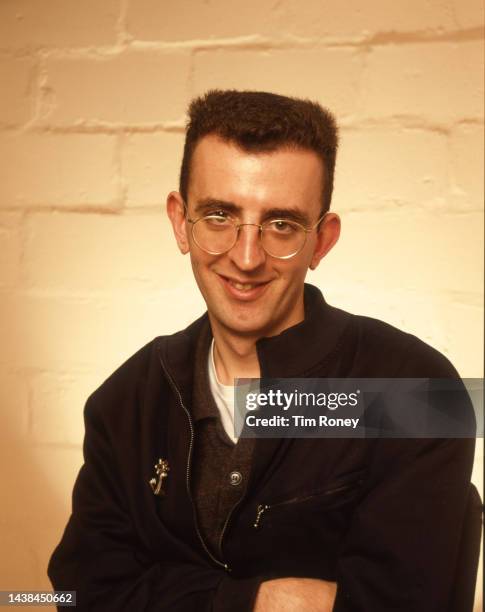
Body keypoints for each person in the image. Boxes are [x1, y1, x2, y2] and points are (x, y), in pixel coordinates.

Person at [48, 90, 480, 611]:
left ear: (322, 241)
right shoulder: (125, 399)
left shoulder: (417, 391)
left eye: (282, 225)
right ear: (179, 221)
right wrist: (259, 601)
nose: (247, 257)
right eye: (219, 216)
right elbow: (83, 590)